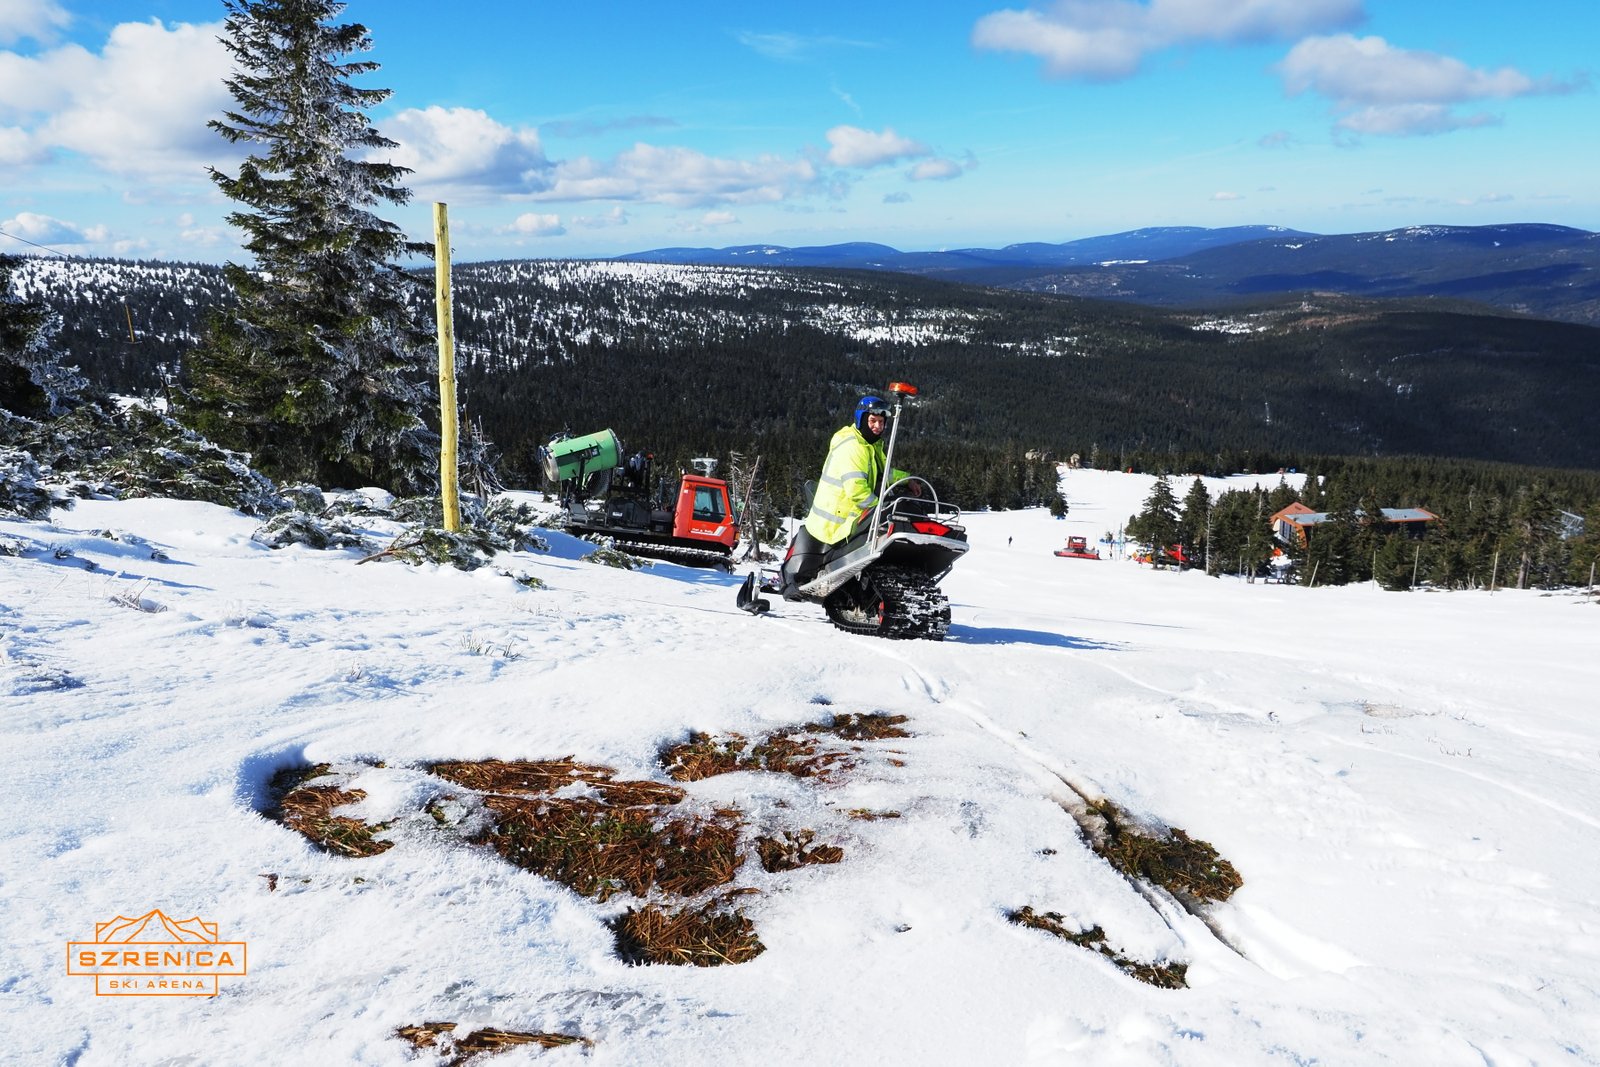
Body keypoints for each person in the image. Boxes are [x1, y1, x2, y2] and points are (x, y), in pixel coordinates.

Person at [781, 395, 916, 597]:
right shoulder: (853, 447)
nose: (877, 427)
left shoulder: (870, 446)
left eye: (881, 422)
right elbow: (857, 491)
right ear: (861, 419)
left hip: (850, 517)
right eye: (873, 421)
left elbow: (883, 473)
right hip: (836, 524)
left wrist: (906, 479)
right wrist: (882, 509)